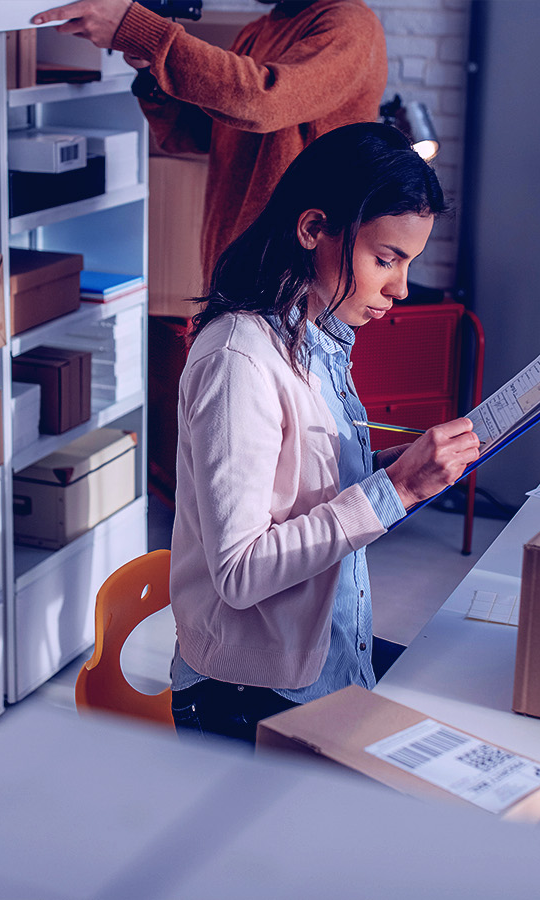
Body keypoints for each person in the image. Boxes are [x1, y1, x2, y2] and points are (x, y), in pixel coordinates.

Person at [161, 122, 478, 744]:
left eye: (407, 263)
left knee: (465, 697)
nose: (400, 288)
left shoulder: (316, 336)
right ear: (312, 230)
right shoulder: (238, 360)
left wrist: (400, 468)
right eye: (385, 259)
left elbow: (303, 478)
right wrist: (398, 491)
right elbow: (241, 570)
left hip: (327, 654)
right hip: (248, 694)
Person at [31, 0, 387, 280]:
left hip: (294, 281)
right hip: (232, 267)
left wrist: (143, 33)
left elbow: (263, 100)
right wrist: (149, 69)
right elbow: (196, 133)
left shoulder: (350, 25)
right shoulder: (258, 31)